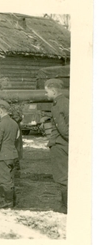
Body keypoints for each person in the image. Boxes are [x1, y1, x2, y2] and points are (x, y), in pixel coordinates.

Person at [0, 100, 19, 208]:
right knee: (10, 179)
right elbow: (18, 140)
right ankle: (12, 200)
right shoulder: (14, 123)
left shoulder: (0, 125)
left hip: (3, 157)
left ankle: (8, 202)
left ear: (1, 110)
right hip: (13, 155)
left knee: (4, 180)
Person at [45, 78, 69, 214]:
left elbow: (63, 129)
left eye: (47, 91)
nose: (46, 94)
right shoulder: (66, 102)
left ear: (53, 91)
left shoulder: (57, 105)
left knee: (62, 177)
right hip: (64, 144)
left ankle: (65, 207)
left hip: (59, 144)